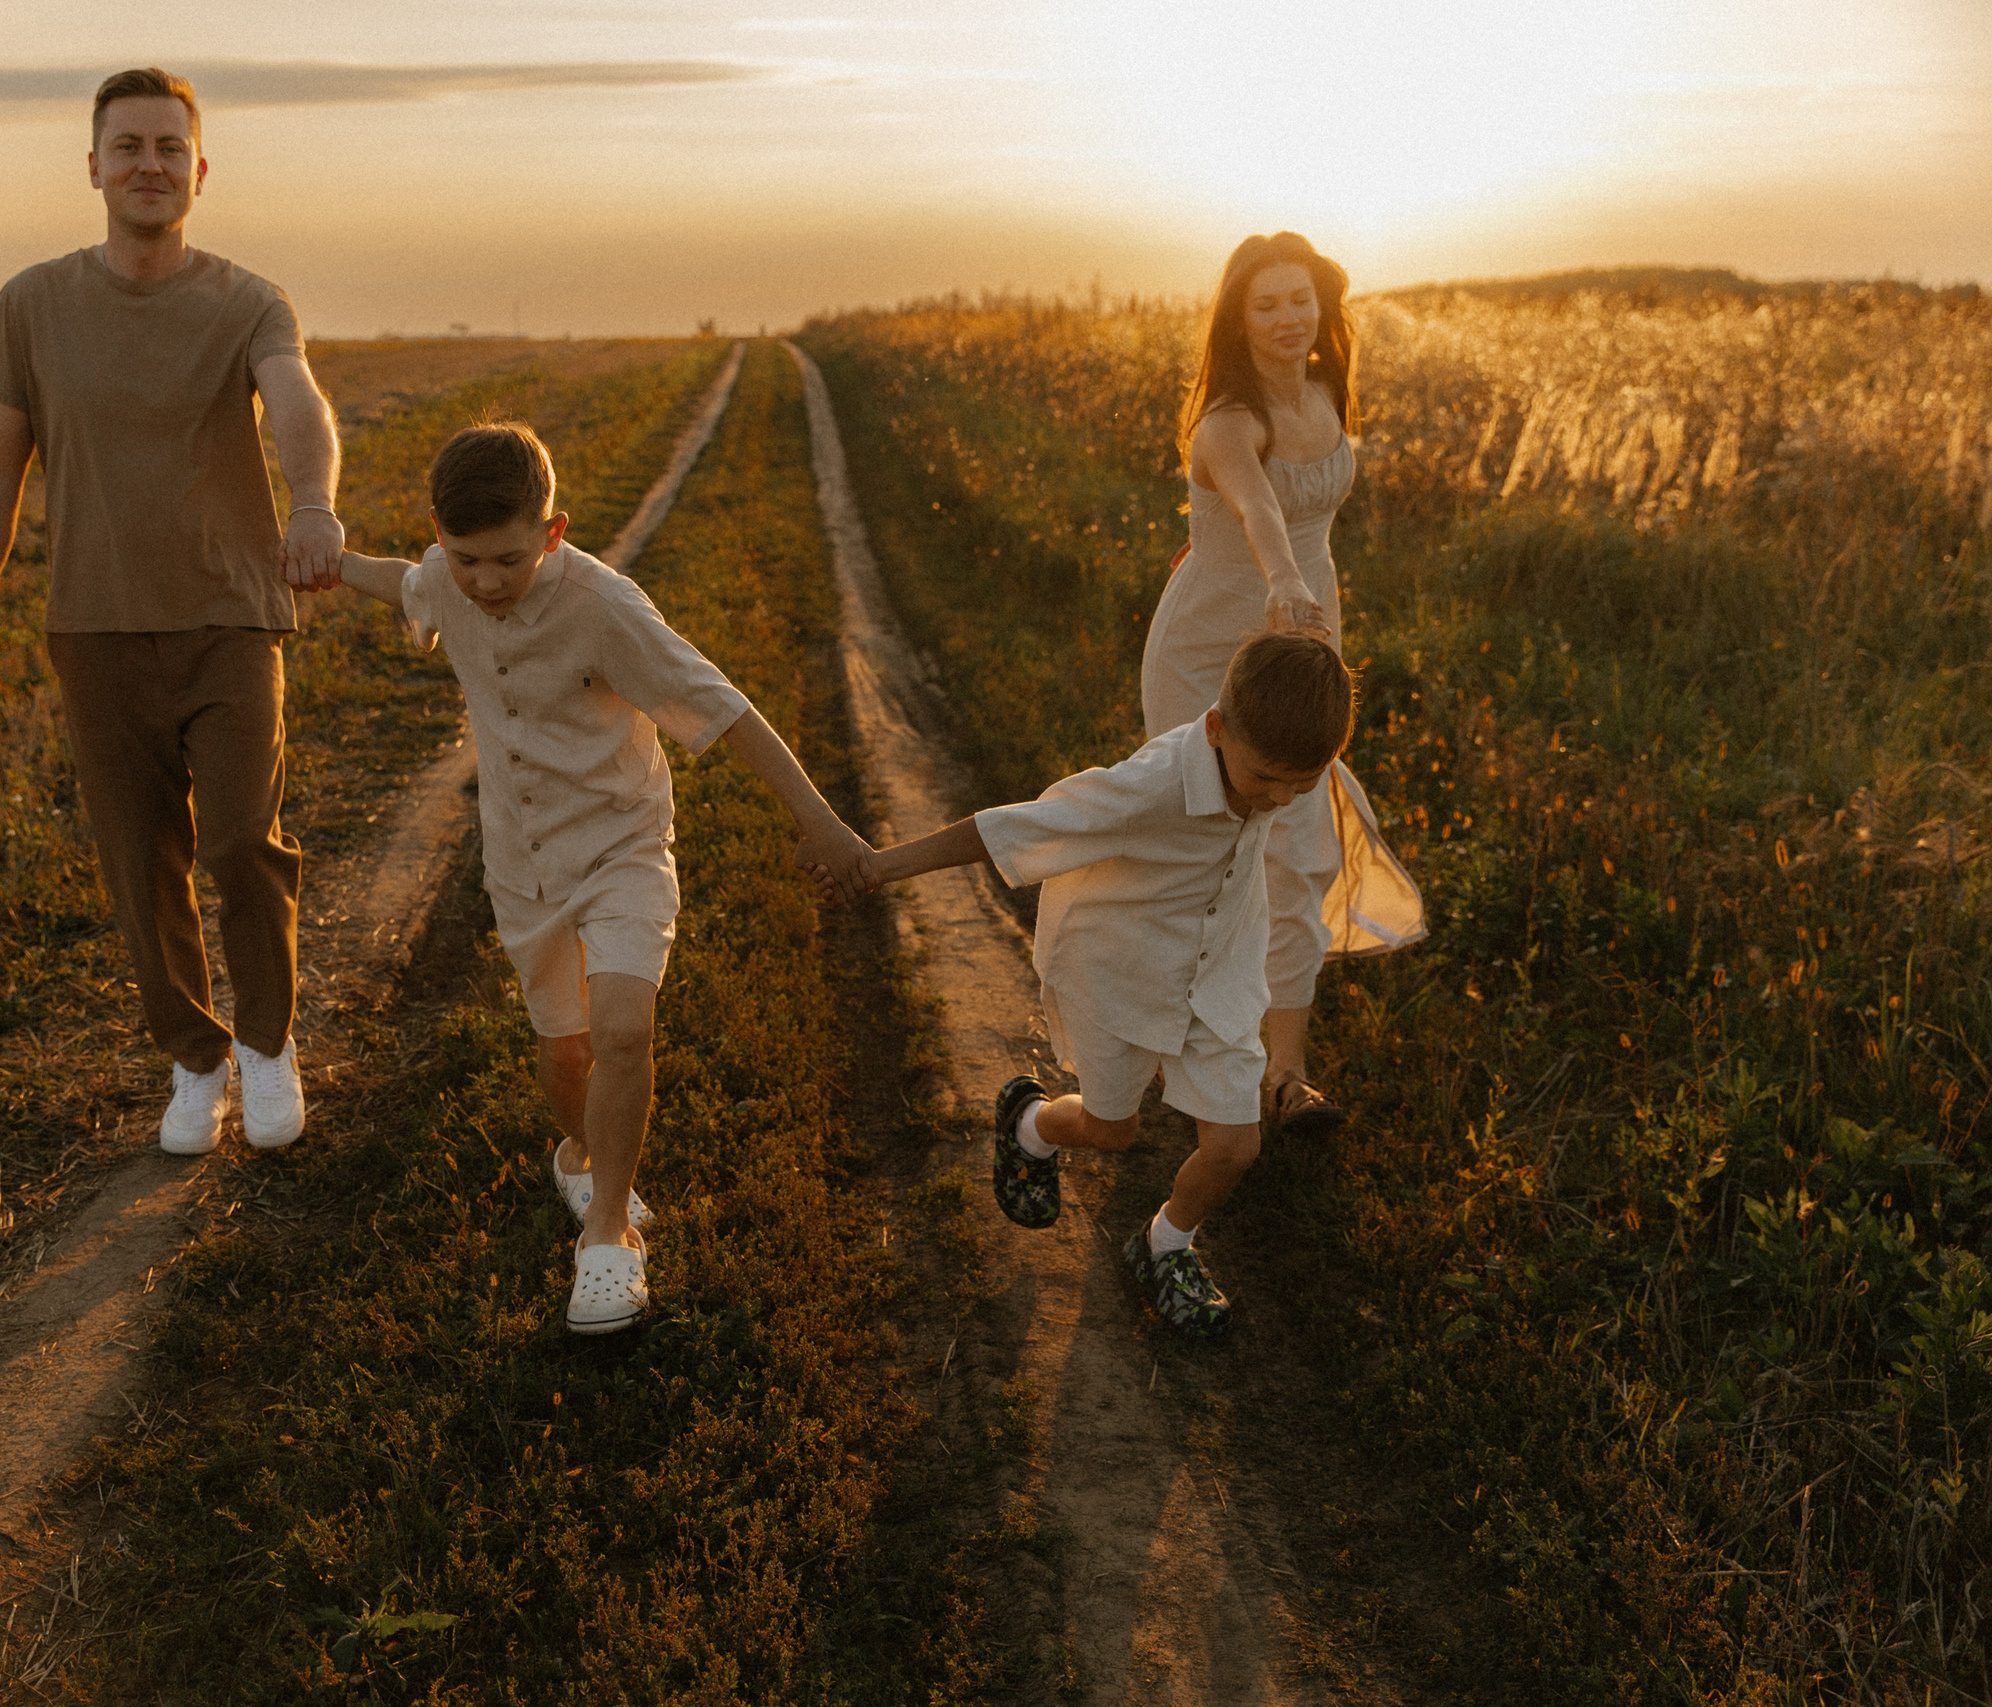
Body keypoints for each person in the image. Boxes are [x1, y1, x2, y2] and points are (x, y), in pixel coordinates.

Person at [321, 423, 869, 1333]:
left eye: (508, 558)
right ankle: (581, 1158)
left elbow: (725, 710)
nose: (487, 583)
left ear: (552, 531)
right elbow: (400, 580)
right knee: (565, 1049)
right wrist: (322, 556)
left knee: (622, 1027)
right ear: (440, 533)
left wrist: (821, 821)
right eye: (468, 560)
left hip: (620, 843)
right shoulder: (442, 577)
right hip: (522, 859)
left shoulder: (606, 609)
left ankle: (609, 1241)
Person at [0, 68, 345, 1157]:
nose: (149, 166)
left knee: (242, 840)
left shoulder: (249, 299)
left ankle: (266, 1045)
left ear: (199, 173)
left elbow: (299, 401)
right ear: (93, 169)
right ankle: (194, 1056)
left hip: (230, 615)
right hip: (95, 623)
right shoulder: (33, 303)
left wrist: (313, 503)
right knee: (138, 857)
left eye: (169, 148)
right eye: (128, 148)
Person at [861, 633, 1353, 1336]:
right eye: (1266, 780)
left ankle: (1163, 1246)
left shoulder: (1277, 759)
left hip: (1217, 980)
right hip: (1119, 973)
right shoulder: (1150, 786)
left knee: (1236, 1145)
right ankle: (1029, 1123)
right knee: (1110, 1129)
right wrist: (880, 866)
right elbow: (1015, 827)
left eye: (1299, 785)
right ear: (1215, 729)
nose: (1278, 798)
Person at [1138, 232, 1426, 1140]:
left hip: (1303, 644)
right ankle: (1165, 1048)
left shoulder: (1327, 392)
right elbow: (1262, 509)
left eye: (1298, 299)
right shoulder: (1227, 419)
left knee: (1301, 856)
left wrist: (1308, 605)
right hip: (1210, 655)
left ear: (1321, 306)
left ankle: (1284, 1079)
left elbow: (1311, 521)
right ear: (1237, 316)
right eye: (1265, 304)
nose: (1285, 318)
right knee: (1205, 861)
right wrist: (1281, 581)